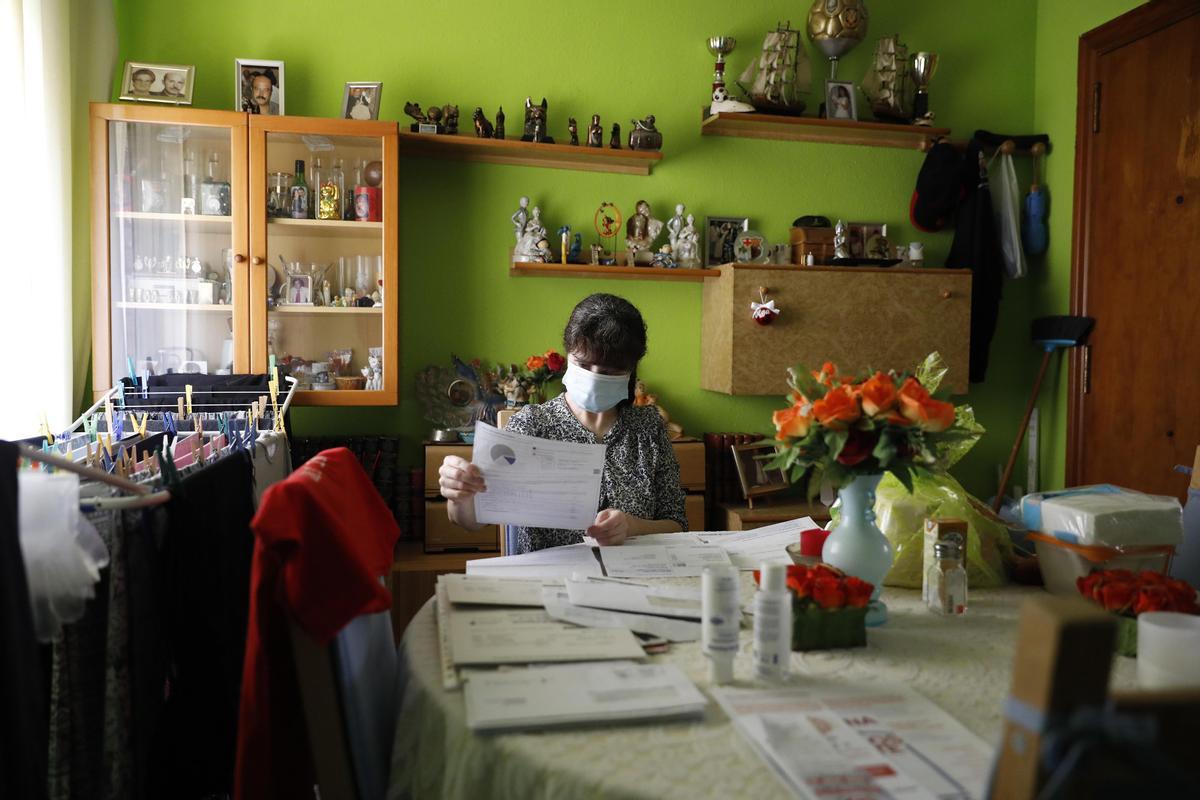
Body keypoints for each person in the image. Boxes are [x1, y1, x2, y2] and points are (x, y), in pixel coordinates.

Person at [439, 293, 687, 552]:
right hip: (549, 585)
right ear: (568, 355)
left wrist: (631, 526)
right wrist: (460, 494)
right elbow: (469, 521)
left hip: (636, 580)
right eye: (583, 364)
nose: (594, 377)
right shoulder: (532, 427)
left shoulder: (648, 428)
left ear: (631, 370)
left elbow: (677, 524)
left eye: (609, 371)